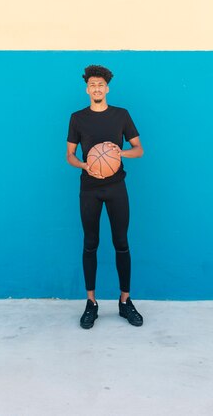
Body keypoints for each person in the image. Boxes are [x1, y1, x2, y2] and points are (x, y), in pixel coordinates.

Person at [66, 64, 145, 329]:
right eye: (92, 85)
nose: (96, 88)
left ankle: (125, 301)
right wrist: (84, 165)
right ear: (87, 89)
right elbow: (69, 155)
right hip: (89, 188)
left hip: (116, 188)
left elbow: (139, 150)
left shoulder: (121, 115)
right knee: (91, 243)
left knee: (121, 243)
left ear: (106, 88)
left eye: (100, 84)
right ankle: (91, 304)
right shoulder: (77, 118)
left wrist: (118, 154)